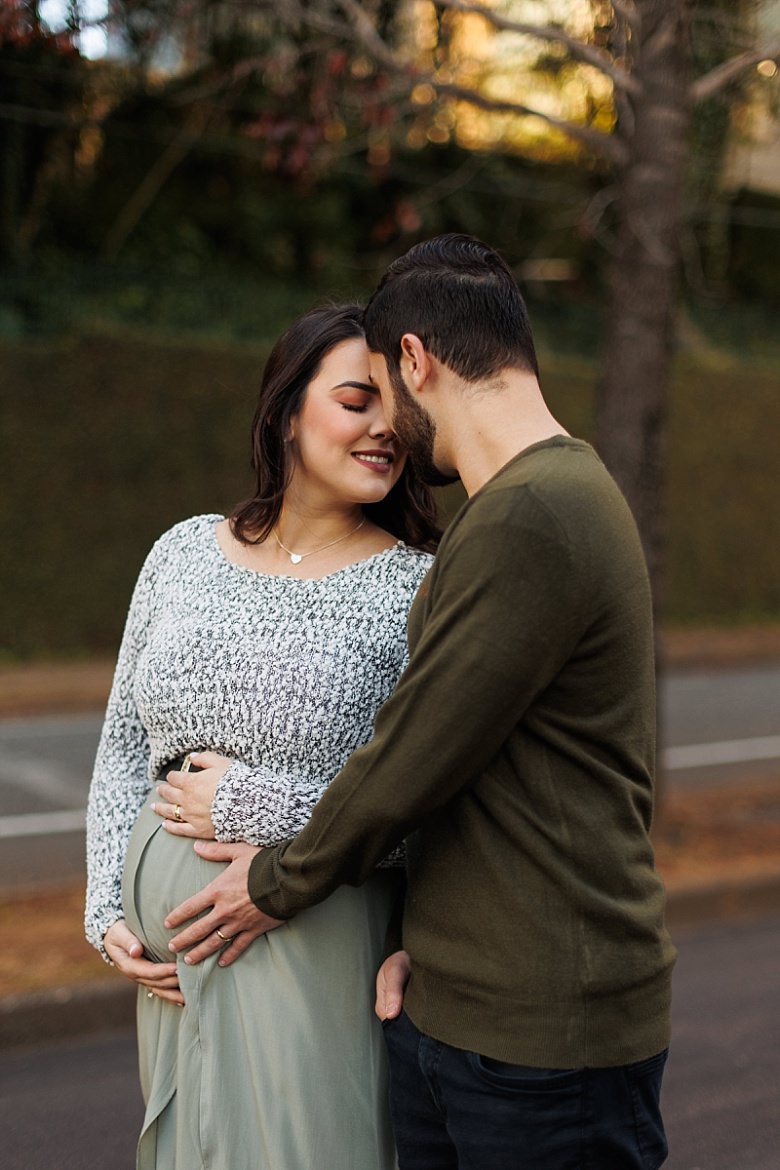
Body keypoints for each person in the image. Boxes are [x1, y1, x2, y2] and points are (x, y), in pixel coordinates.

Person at [160, 235, 677, 1170]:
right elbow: (476, 780)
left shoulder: (537, 513)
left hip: (545, 1038)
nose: (390, 430)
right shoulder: (525, 502)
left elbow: (413, 754)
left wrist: (276, 881)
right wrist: (422, 949)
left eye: (383, 396)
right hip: (461, 1011)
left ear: (414, 360)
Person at [84, 303, 440, 1170]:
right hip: (170, 968)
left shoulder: (417, 589)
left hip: (312, 941)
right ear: (287, 412)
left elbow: (432, 808)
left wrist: (261, 804)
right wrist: (105, 906)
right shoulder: (180, 552)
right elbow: (126, 743)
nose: (385, 428)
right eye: (357, 400)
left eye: (398, 410)